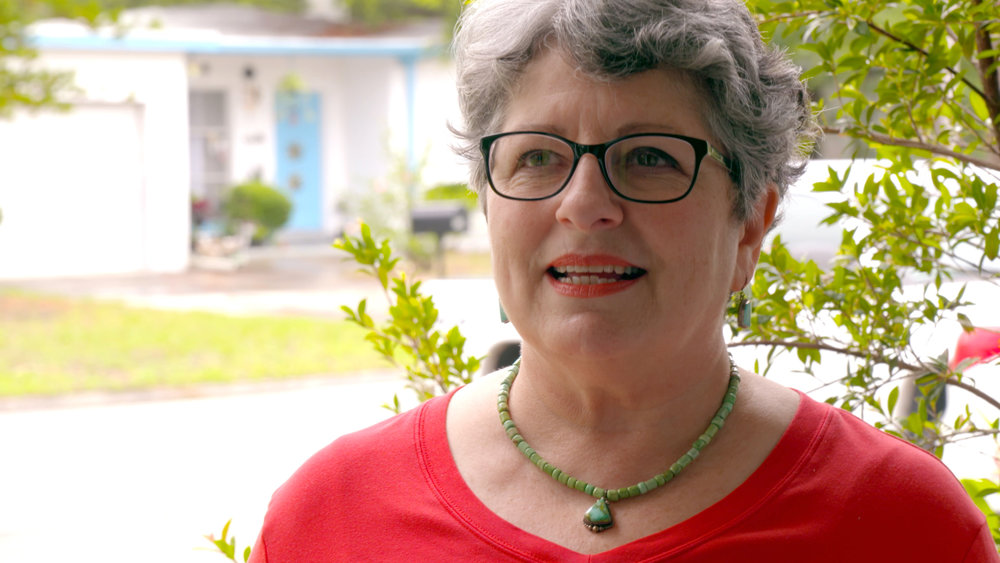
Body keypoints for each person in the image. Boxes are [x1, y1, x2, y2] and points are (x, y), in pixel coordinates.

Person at [249, 1, 996, 560]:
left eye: (649, 158)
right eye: (537, 157)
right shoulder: (330, 518)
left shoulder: (905, 525)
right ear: (487, 203)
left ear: (749, 223)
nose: (584, 205)